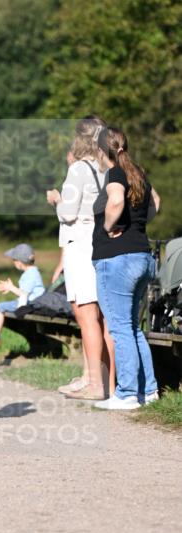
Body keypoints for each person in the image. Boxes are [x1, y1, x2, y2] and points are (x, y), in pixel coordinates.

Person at [91, 126, 161, 410]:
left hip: (116, 260)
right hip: (142, 256)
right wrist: (138, 225)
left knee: (120, 329)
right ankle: (149, 391)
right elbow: (156, 202)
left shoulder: (115, 173)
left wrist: (109, 227)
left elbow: (116, 200)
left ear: (101, 151)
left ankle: (128, 393)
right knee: (132, 328)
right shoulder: (139, 173)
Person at [46, 118, 115, 400]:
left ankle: (94, 384)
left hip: (80, 244)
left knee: (86, 315)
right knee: (102, 315)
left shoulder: (78, 168)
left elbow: (68, 213)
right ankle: (101, 380)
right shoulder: (107, 167)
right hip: (101, 241)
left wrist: (56, 199)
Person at [0, 243, 45, 350]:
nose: (13, 262)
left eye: (14, 260)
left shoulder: (31, 274)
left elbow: (24, 294)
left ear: (19, 262)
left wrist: (10, 287)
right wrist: (9, 288)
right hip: (29, 303)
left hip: (32, 305)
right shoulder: (31, 272)